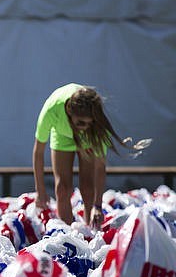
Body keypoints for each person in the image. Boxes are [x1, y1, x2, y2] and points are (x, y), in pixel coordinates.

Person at [32, 83, 151, 227]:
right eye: (80, 122)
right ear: (69, 111)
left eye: (89, 123)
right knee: (62, 189)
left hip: (88, 138)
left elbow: (100, 168)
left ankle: (90, 229)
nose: (84, 127)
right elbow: (38, 152)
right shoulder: (52, 109)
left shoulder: (94, 127)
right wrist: (40, 191)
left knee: (88, 187)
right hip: (62, 134)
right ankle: (65, 233)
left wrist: (98, 206)